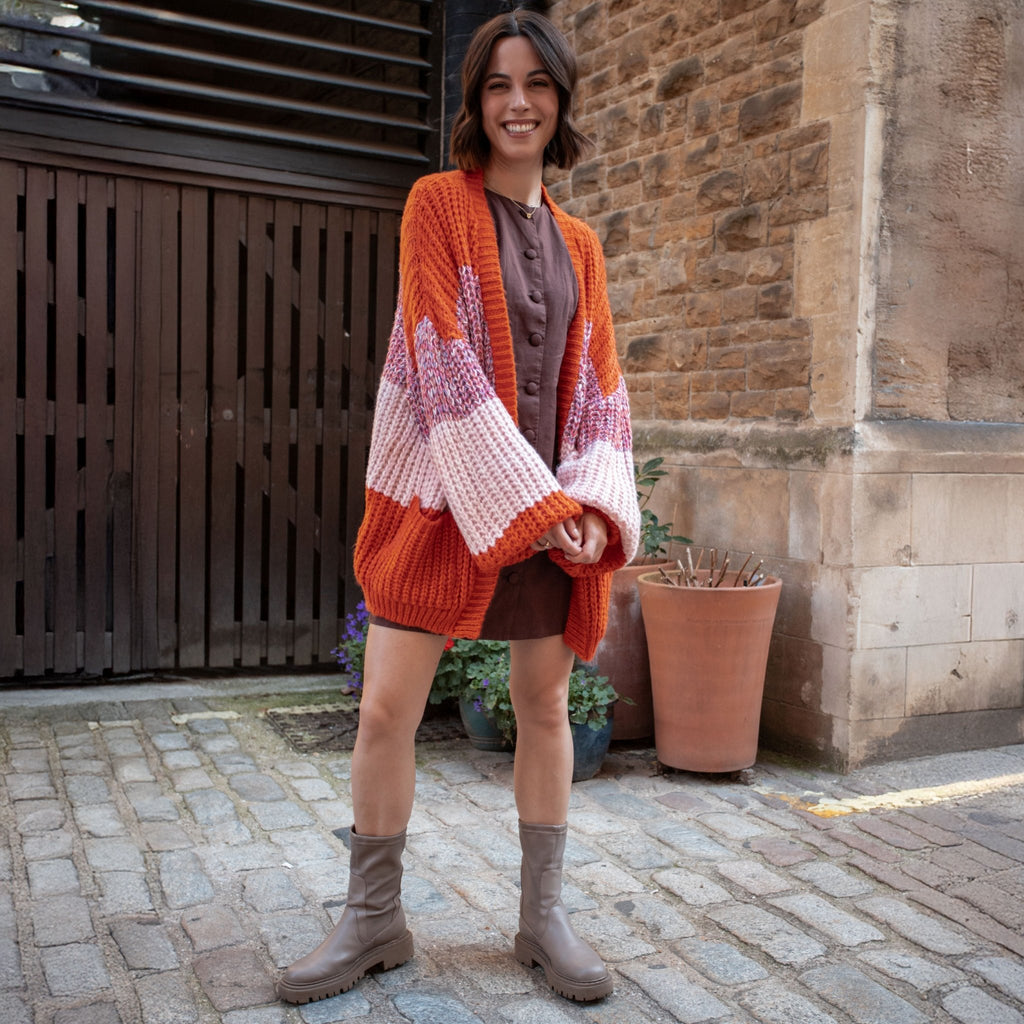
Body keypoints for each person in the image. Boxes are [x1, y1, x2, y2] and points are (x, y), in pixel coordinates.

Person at [276, 7, 640, 1007]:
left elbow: (601, 392)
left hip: (547, 514)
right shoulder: (436, 204)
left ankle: (541, 916)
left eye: (535, 84)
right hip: (443, 500)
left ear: (559, 98)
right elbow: (439, 363)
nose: (516, 102)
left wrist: (590, 509)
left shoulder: (584, 244)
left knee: (542, 708)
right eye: (496, 85)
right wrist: (535, 502)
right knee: (387, 709)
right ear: (475, 102)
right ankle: (373, 920)